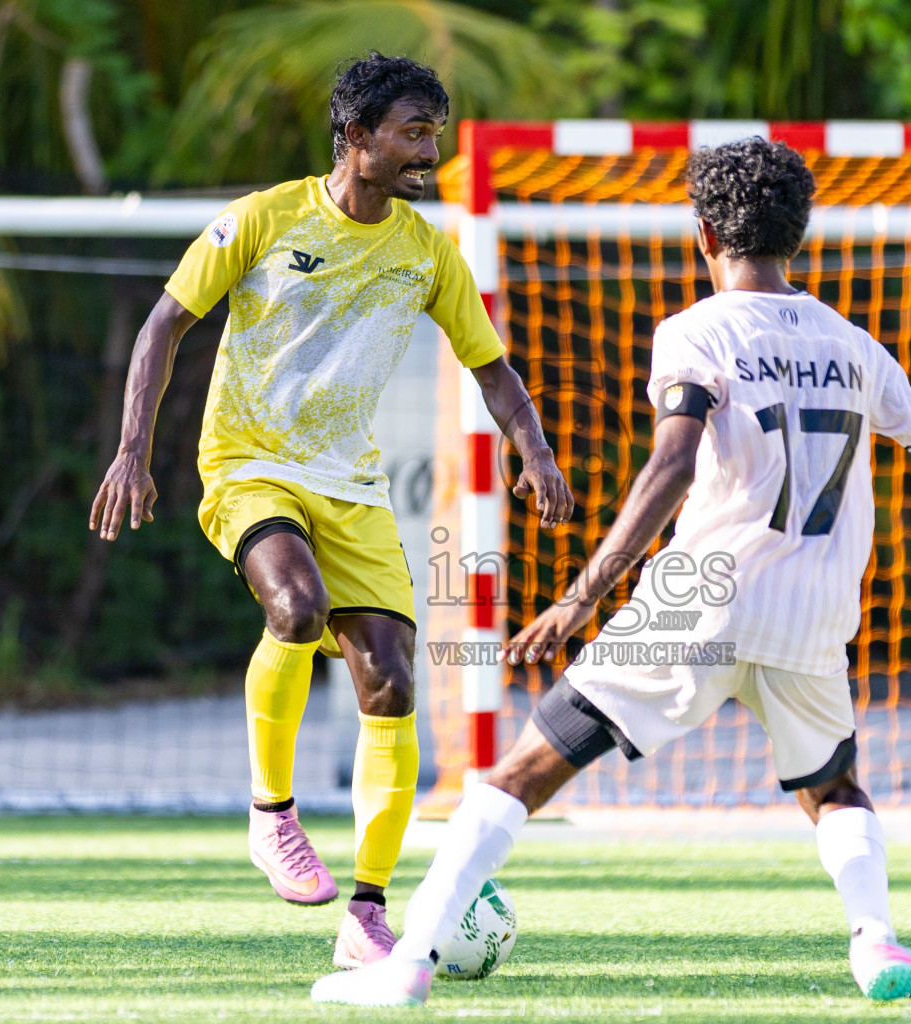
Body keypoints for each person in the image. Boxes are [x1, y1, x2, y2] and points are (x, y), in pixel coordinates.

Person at [310, 136, 911, 1009]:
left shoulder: (695, 330)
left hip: (702, 596)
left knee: (523, 771)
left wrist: (581, 597)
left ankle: (410, 960)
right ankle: (875, 943)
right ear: (798, 235)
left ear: (701, 236)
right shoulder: (854, 346)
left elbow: (674, 465)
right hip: (816, 609)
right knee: (833, 784)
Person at [88, 53, 572, 964]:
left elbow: (492, 368)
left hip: (350, 484)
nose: (432, 147)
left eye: (435, 129)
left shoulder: (428, 250)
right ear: (355, 138)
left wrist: (535, 450)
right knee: (296, 609)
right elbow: (165, 323)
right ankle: (271, 813)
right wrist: (132, 453)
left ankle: (368, 915)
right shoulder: (265, 218)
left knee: (390, 684)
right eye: (414, 131)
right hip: (249, 464)